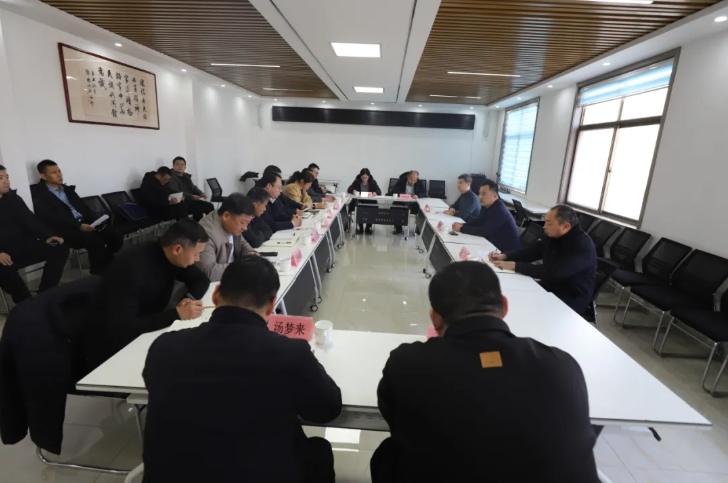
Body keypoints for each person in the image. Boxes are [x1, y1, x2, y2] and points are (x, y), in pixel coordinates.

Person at [371, 261, 599, 483]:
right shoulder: (561, 365)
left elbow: (393, 415)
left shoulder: (408, 364)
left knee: (389, 452)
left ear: (435, 318)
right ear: (505, 306)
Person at [142, 256, 342, 483]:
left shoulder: (164, 347)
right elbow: (328, 409)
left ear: (216, 295)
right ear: (272, 305)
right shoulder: (289, 354)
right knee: (318, 450)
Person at [81, 219, 210, 372]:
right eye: (196, 254)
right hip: (114, 347)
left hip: (146, 327)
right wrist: (177, 314)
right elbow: (123, 327)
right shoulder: (133, 268)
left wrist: (188, 299)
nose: (197, 259)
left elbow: (201, 280)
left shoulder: (169, 254)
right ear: (177, 249)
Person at [491, 204, 597, 315]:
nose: (545, 227)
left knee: (526, 310)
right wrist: (505, 256)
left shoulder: (583, 246)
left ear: (565, 226)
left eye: (549, 223)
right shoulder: (553, 235)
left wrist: (515, 266)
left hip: (570, 297)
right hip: (550, 286)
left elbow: (554, 271)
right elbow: (531, 252)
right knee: (514, 298)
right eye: (545, 222)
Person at [31, 160, 123, 275]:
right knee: (96, 242)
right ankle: (97, 274)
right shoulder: (39, 194)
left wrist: (96, 221)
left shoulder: (67, 190)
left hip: (84, 223)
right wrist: (78, 225)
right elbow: (51, 218)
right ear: (43, 176)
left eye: (59, 171)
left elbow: (83, 207)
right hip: (66, 229)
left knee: (115, 235)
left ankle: (106, 261)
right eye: (54, 172)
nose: (59, 175)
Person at [0, 165, 68, 304]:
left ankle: (45, 293)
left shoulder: (13, 198)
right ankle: (27, 303)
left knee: (60, 248)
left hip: (22, 246)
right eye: (0, 178)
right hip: (3, 253)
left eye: (7, 177)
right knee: (2, 267)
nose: (6, 181)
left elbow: (31, 220)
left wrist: (47, 236)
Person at [197, 194, 257, 282]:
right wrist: (243, 267)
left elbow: (242, 242)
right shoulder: (206, 233)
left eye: (247, 223)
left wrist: (250, 252)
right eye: (242, 223)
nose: (245, 228)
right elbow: (209, 272)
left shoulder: (231, 224)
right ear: (226, 216)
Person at [452, 180, 521, 252]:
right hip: (493, 244)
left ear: (495, 196)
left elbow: (484, 231)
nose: (480, 197)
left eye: (484, 194)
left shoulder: (499, 210)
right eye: (479, 194)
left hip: (507, 251)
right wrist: (462, 225)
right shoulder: (486, 206)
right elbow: (478, 221)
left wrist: (461, 229)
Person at [168, 156, 214, 221]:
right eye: (177, 164)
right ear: (173, 166)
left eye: (182, 164)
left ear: (185, 167)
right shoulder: (170, 177)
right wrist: (192, 196)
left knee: (209, 206)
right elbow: (177, 191)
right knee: (198, 207)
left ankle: (210, 224)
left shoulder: (186, 176)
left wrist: (201, 193)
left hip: (190, 200)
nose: (180, 166)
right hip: (180, 202)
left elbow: (193, 187)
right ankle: (196, 226)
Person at [347, 168, 381, 234]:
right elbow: (349, 189)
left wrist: (375, 192)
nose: (364, 179)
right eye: (363, 177)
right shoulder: (357, 181)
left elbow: (379, 191)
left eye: (366, 177)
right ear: (360, 176)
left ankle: (368, 227)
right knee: (359, 209)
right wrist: (353, 190)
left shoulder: (372, 182)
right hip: (360, 201)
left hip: (370, 201)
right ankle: (361, 227)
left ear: (368, 176)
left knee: (372, 210)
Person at [391, 170, 426, 235]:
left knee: (422, 210)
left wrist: (418, 195)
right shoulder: (401, 181)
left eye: (414, 180)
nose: (412, 182)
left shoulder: (419, 182)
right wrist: (405, 195)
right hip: (402, 202)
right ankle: (398, 229)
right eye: (411, 180)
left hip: (414, 204)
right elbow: (394, 191)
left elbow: (424, 193)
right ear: (408, 177)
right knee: (395, 207)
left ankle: (418, 229)